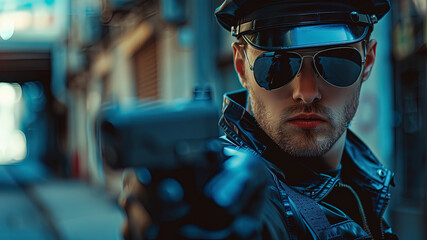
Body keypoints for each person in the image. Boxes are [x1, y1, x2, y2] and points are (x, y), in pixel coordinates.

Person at [119, 0, 398, 239]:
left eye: (337, 63)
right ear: (241, 66)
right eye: (278, 65)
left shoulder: (362, 180)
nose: (307, 92)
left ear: (368, 61)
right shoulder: (242, 195)